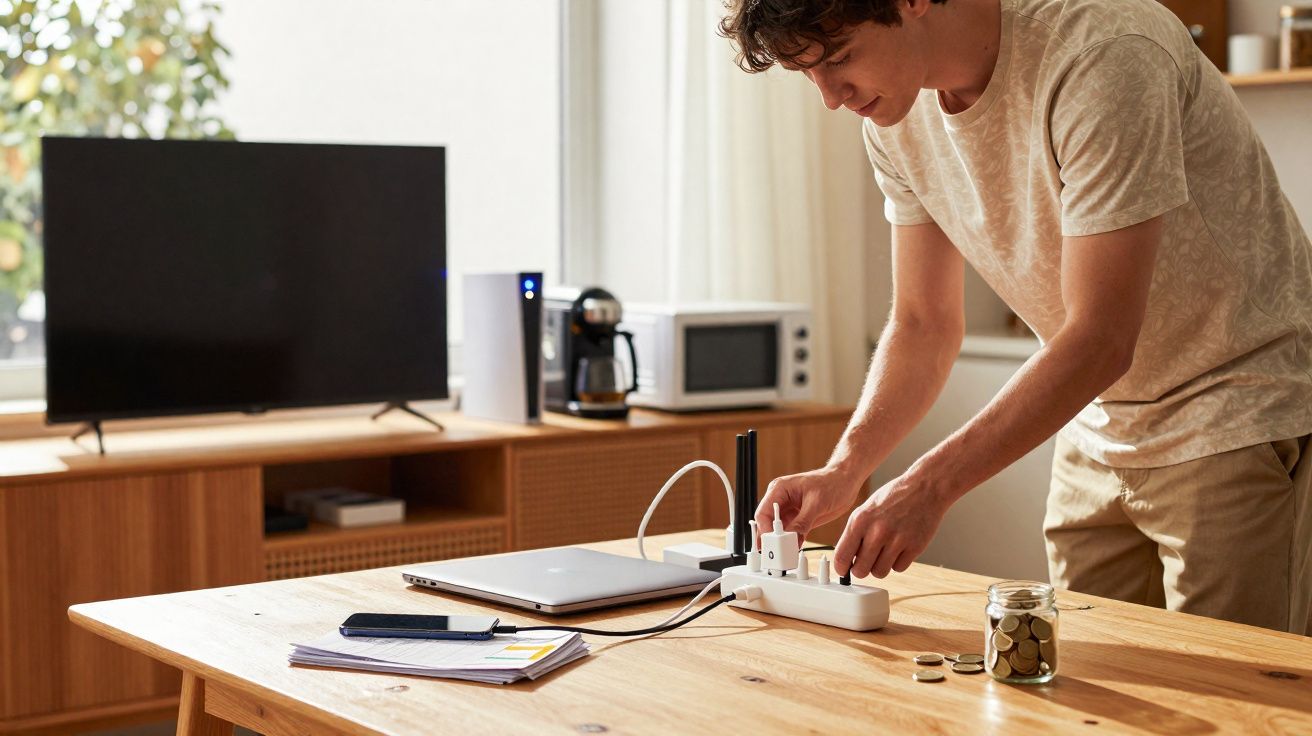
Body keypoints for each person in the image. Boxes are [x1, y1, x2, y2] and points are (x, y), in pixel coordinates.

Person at [722, 0, 1312, 635]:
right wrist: (847, 467)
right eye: (808, 72)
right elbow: (923, 321)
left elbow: (1101, 338)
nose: (831, 99)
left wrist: (928, 486)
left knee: (1232, 703)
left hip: (1232, 406)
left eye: (839, 59)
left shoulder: (1103, 54)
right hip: (1096, 423)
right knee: (1081, 690)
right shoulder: (894, 114)